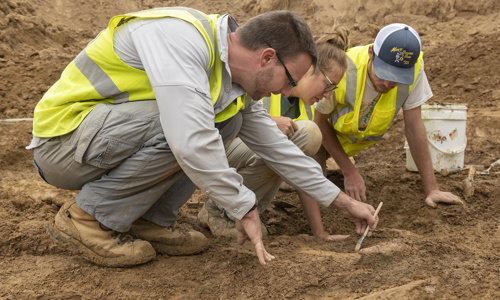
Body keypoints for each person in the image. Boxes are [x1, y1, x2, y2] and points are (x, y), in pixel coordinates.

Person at [28, 7, 378, 268]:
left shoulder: (235, 84)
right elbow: (190, 141)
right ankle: (88, 218)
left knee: (224, 125)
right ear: (267, 57)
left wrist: (342, 202)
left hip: (98, 139)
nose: (288, 92)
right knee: (191, 124)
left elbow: (278, 151)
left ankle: (146, 220)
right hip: (63, 140)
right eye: (289, 80)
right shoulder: (181, 40)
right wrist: (244, 205)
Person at [304, 23, 464, 240]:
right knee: (312, 175)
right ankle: (316, 230)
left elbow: (414, 127)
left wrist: (432, 189)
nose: (389, 83)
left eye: (397, 77)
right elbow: (319, 123)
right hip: (314, 132)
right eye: (385, 72)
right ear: (371, 53)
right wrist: (349, 171)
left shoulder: (414, 68)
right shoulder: (343, 68)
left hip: (348, 139)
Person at [198, 26, 353, 241]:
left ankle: (244, 211)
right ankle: (220, 210)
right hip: (215, 156)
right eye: (328, 85)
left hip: (240, 158)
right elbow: (224, 117)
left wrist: (320, 233)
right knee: (307, 133)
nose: (327, 95)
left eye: (332, 89)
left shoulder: (307, 107)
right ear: (308, 70)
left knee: (306, 137)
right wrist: (269, 123)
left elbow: (302, 170)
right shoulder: (266, 83)